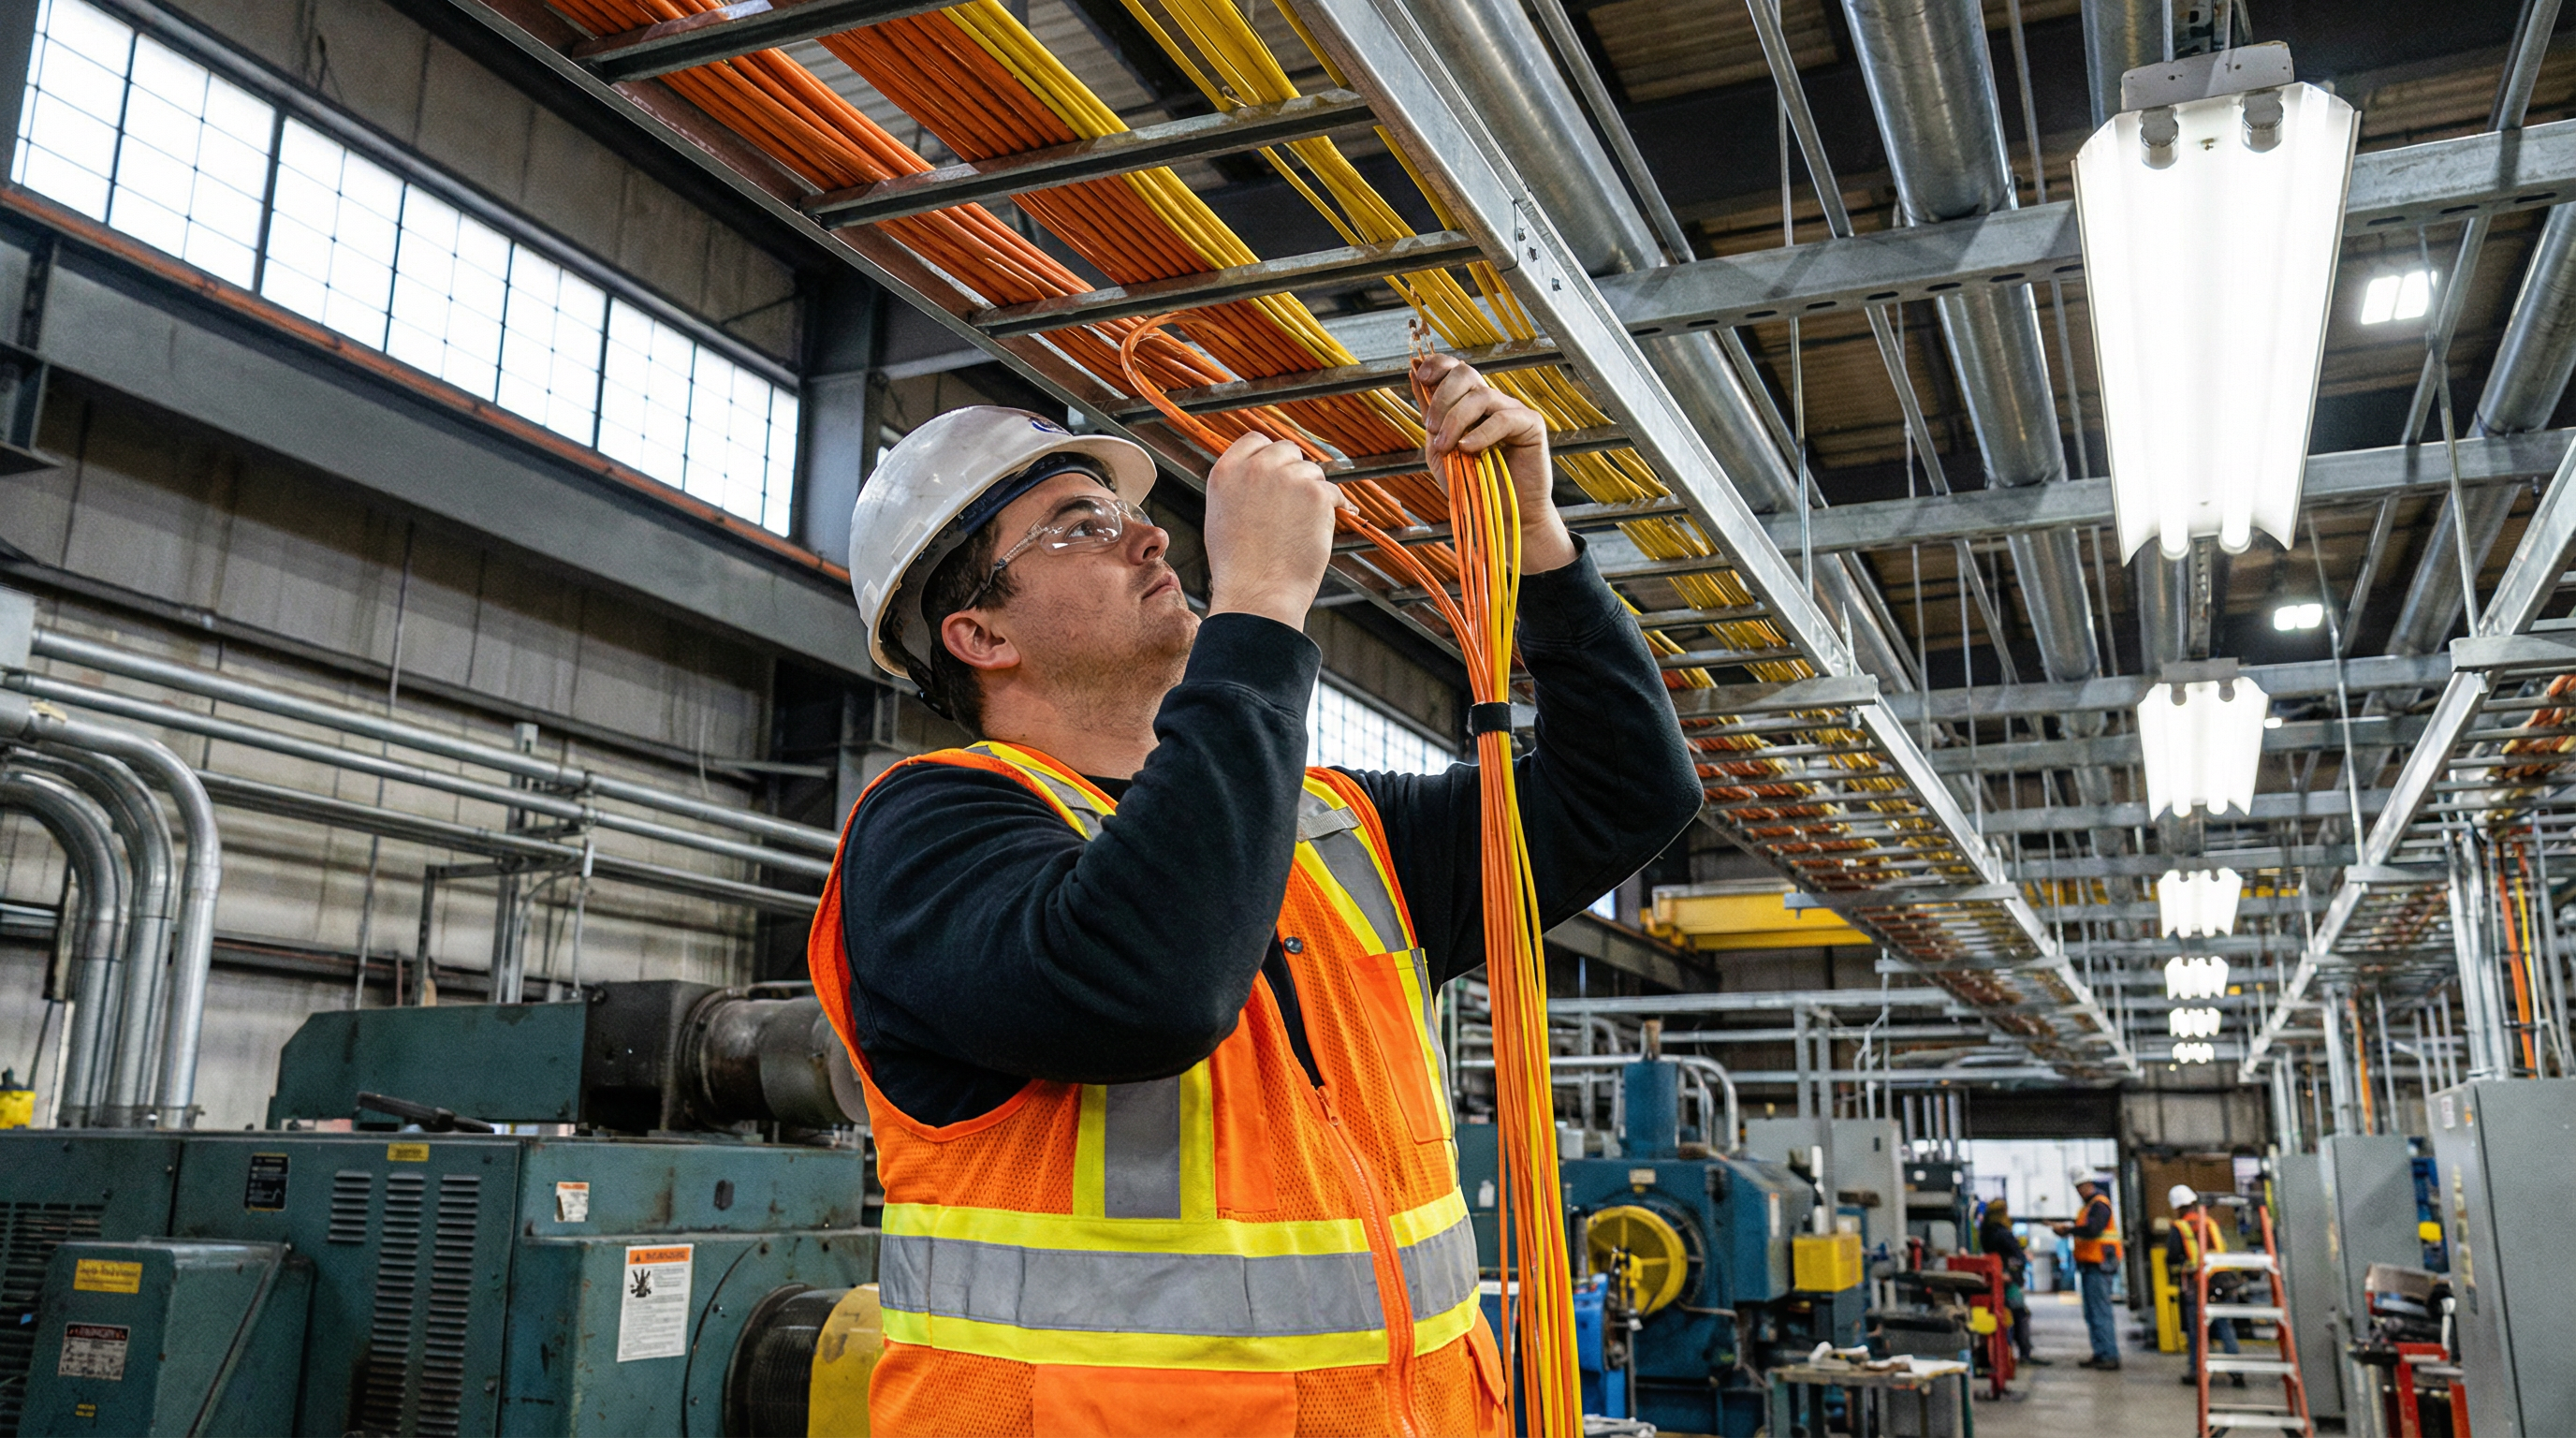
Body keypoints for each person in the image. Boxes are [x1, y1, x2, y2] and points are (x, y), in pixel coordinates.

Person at [809, 357, 1704, 1435]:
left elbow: (1625, 792)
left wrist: (1540, 546)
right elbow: (1149, 987)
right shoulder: (930, 832)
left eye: (1132, 512)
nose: (1150, 537)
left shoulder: (1332, 831)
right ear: (981, 636)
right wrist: (1263, 608)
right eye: (1080, 524)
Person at [2167, 1184, 2246, 1387]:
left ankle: (2197, 1371)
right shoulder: (2210, 1222)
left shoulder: (2180, 1228)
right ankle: (2236, 1372)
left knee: (2198, 1331)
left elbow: (2172, 1257)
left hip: (2199, 1284)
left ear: (2177, 1207)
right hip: (2223, 1280)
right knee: (2225, 1326)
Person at [2052, 1168, 2124, 1370]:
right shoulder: (2089, 1207)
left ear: (2087, 1185)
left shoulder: (2099, 1204)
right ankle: (2101, 1353)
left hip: (2099, 1265)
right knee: (2092, 1313)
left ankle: (2109, 1355)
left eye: (2079, 1187)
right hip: (2090, 1265)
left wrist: (2069, 1230)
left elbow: (2093, 1230)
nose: (2078, 1191)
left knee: (2100, 1312)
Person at [1978, 1197, 2049, 1366]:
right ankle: (2023, 1353)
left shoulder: (1985, 1233)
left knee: (2004, 1316)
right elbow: (2016, 1256)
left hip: (1995, 1278)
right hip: (2007, 1280)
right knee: (2019, 1315)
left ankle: (2005, 1354)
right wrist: (2018, 1268)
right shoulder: (2003, 1233)